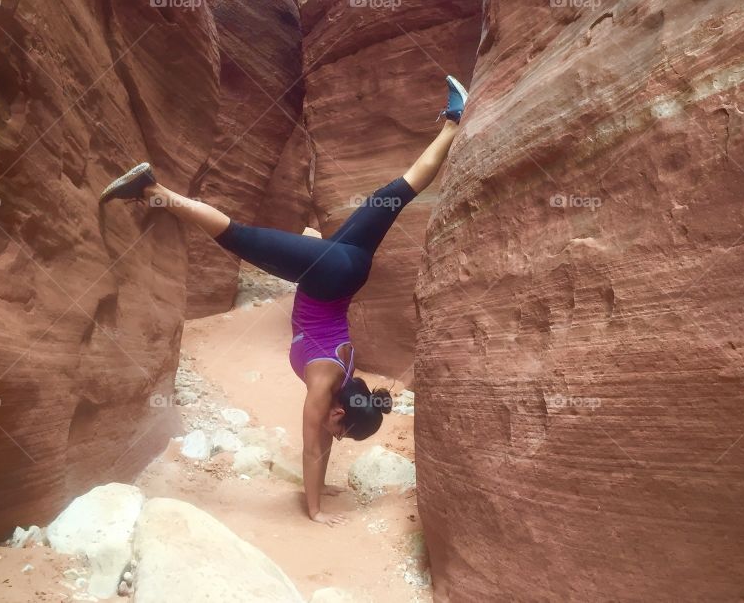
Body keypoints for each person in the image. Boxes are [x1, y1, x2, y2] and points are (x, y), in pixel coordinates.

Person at [99, 75, 469, 526]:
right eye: (344, 431)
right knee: (239, 237)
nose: (337, 436)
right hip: (328, 273)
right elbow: (314, 448)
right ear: (339, 413)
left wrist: (327, 479)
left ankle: (453, 122)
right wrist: (313, 511)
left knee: (396, 194)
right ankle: (152, 191)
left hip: (350, 270)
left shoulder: (345, 385)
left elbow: (326, 438)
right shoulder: (321, 388)